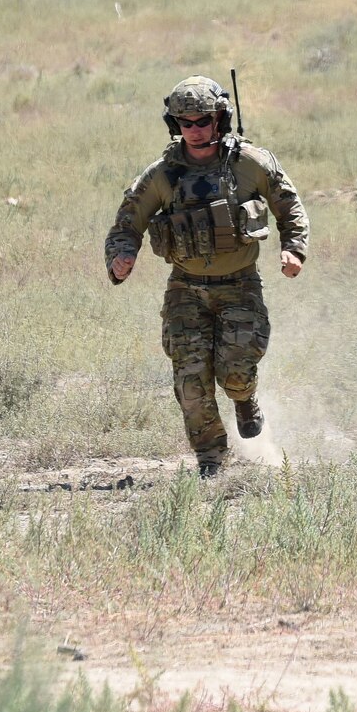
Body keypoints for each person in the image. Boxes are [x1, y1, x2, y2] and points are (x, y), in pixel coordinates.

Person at [104, 76, 309, 477]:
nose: (195, 130)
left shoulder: (250, 163)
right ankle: (211, 459)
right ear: (174, 125)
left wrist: (294, 248)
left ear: (220, 119)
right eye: (186, 122)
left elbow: (290, 205)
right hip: (185, 289)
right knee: (191, 383)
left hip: (240, 286)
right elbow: (126, 224)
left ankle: (244, 400)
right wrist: (122, 256)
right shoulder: (162, 176)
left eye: (203, 121)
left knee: (235, 373)